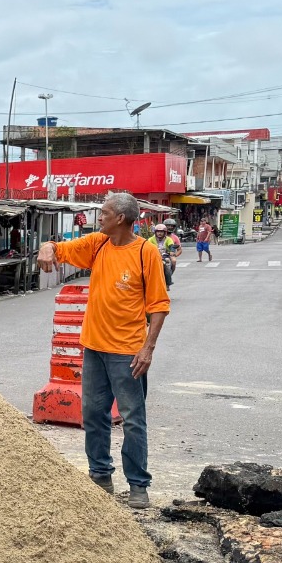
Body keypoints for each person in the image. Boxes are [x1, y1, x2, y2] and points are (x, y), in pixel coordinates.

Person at [37, 192, 170, 510]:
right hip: (94, 348)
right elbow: (60, 249)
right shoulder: (98, 244)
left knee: (133, 419)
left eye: (104, 213)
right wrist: (46, 247)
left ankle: (138, 485)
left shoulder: (146, 253)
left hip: (127, 352)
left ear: (121, 218)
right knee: (93, 415)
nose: (99, 218)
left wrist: (148, 348)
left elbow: (159, 305)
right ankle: (100, 476)